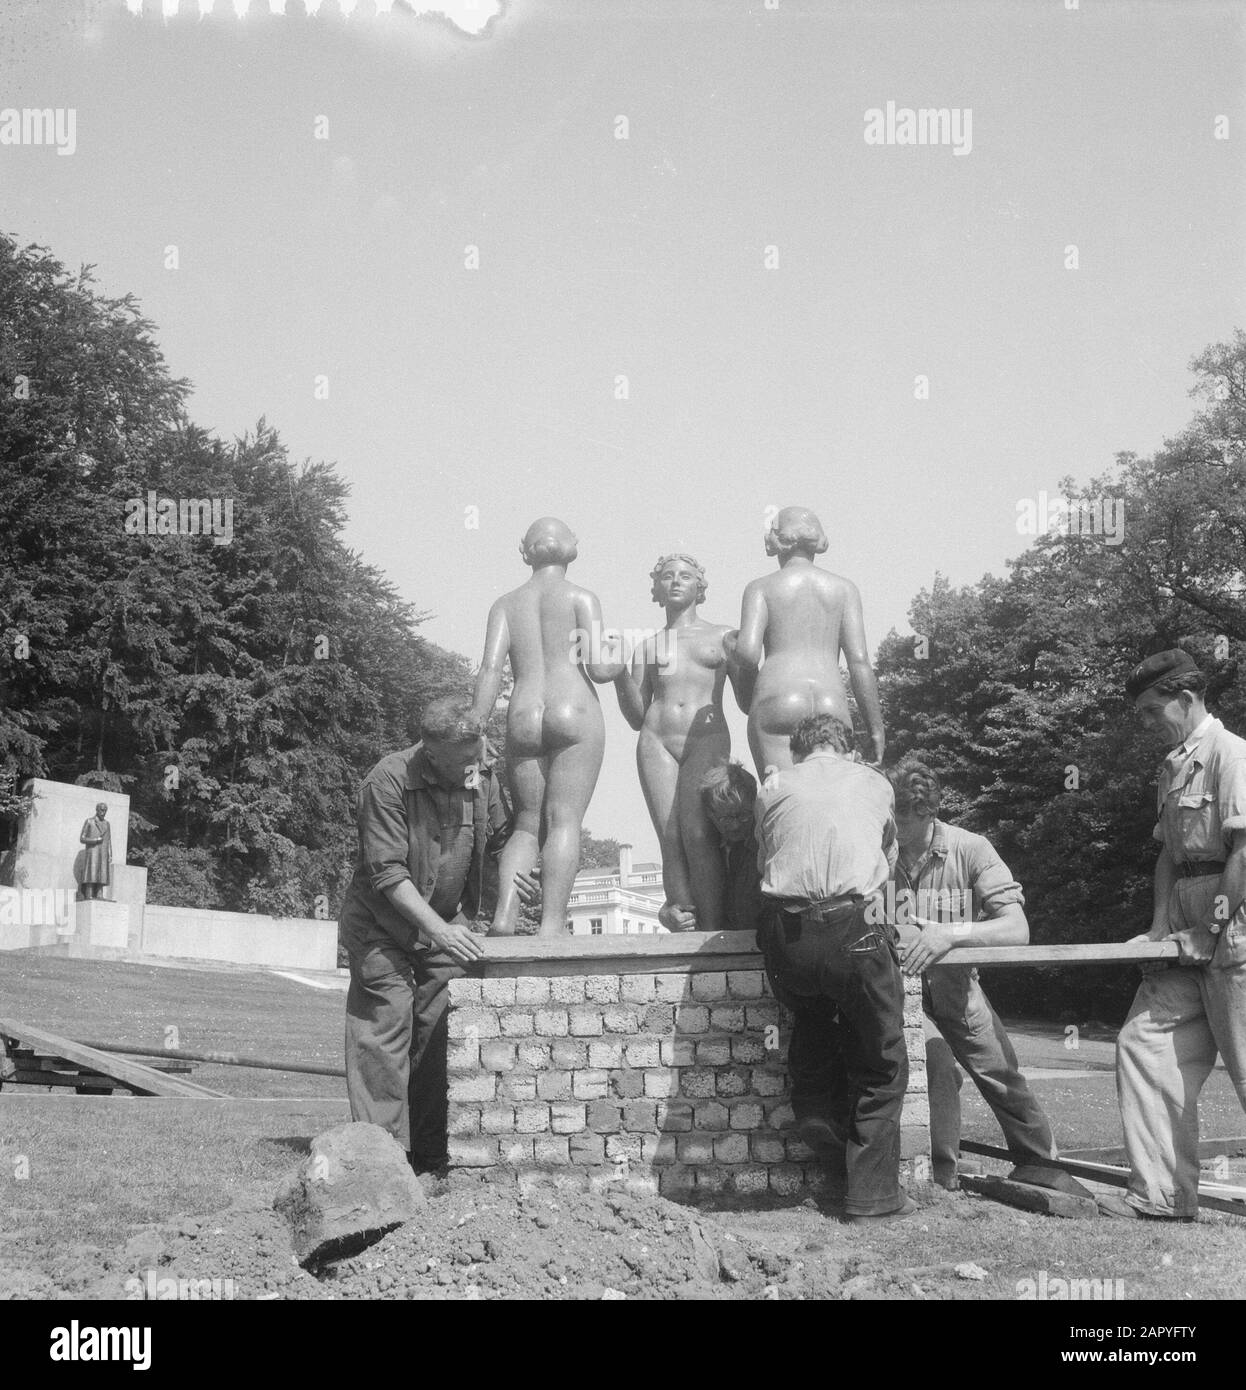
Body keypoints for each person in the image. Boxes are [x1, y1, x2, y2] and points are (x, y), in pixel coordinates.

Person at [340, 696, 535, 1172]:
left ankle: (429, 1151)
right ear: (431, 753)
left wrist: (523, 874)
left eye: (480, 751)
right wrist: (440, 931)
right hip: (380, 925)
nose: (479, 763)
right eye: (466, 759)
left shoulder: (480, 776)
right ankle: (379, 1155)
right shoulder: (387, 780)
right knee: (386, 1023)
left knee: (441, 1028)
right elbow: (386, 875)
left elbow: (505, 841)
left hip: (447, 923)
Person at [887, 759, 1077, 1195]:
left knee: (1003, 1078)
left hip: (958, 989)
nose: (889, 827)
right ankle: (939, 1178)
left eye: (897, 818)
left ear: (926, 812)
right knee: (935, 1063)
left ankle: (1046, 1171)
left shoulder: (972, 848)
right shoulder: (879, 855)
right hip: (906, 993)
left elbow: (1017, 929)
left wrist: (948, 935)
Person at [753, 713, 913, 1222]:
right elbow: (887, 854)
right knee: (882, 1057)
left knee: (815, 1019)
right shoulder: (874, 782)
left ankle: (817, 1109)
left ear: (798, 751)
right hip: (853, 929)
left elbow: (766, 859)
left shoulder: (772, 785)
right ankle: (872, 1195)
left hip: (788, 938)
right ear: (847, 748)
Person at [1106, 649, 1246, 1220]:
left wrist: (1210, 930)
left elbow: (1245, 850)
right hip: (1186, 926)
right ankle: (1163, 1197)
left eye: (1149, 710)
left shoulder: (1231, 754)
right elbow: (1168, 853)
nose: (1143, 722)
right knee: (1142, 1044)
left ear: (1185, 700)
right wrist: (1163, 927)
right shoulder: (1173, 764)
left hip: (1232, 923)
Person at [471, 517, 621, 937]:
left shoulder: (504, 604)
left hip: (523, 713)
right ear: (573, 547)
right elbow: (600, 667)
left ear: (525, 551)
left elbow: (488, 670)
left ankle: (505, 915)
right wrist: (622, 655)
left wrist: (477, 729)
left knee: (525, 824)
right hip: (572, 707)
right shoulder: (580, 597)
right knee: (564, 821)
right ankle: (551, 923)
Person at [617, 553, 739, 933]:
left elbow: (746, 698)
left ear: (700, 588)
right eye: (667, 576)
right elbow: (637, 716)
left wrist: (747, 660)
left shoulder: (724, 635)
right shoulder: (648, 645)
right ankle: (682, 916)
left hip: (706, 735)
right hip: (656, 738)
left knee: (699, 832)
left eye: (685, 576)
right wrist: (620, 674)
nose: (675, 581)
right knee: (670, 834)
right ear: (656, 589)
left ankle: (712, 926)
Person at [731, 506, 885, 778]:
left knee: (782, 802)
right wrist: (875, 727)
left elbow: (748, 655)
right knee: (831, 803)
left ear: (775, 541)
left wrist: (729, 646)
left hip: (778, 698)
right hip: (831, 700)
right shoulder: (845, 588)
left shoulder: (761, 587)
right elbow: (859, 662)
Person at [699, 761, 767, 937]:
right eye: (727, 818)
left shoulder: (766, 847)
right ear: (710, 814)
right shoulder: (704, 851)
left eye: (744, 815)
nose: (736, 825)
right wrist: (666, 914)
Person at [79, 803, 112, 901]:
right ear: (97, 810)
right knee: (91, 872)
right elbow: (82, 838)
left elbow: (109, 840)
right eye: (101, 810)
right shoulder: (89, 821)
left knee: (102, 872)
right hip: (93, 851)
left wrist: (110, 853)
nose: (103, 812)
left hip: (103, 852)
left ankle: (99, 894)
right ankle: (88, 894)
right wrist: (95, 840)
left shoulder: (107, 824)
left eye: (105, 810)